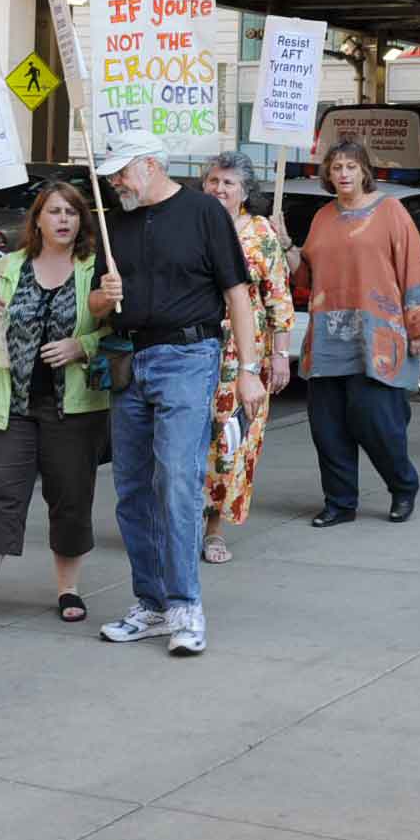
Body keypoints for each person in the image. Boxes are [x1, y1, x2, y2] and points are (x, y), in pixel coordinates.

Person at [90, 130, 264, 656]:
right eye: (113, 171)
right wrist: (103, 296)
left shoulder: (203, 213)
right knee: (132, 486)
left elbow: (237, 293)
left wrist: (250, 367)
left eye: (122, 169)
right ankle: (153, 603)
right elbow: (96, 305)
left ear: (151, 165)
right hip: (127, 357)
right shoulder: (112, 220)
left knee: (178, 478)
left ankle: (185, 603)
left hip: (189, 355)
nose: (115, 179)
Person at [0, 182, 110, 628]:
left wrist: (82, 346)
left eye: (71, 212)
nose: (63, 220)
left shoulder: (96, 269)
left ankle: (68, 588)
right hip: (11, 404)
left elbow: (120, 330)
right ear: (37, 219)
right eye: (54, 211)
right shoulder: (8, 266)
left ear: (82, 221)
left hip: (74, 406)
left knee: (71, 496)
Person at [275, 140, 420, 528]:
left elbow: (412, 269)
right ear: (328, 174)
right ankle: (340, 502)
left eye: (350, 166)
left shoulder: (391, 211)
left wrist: (417, 326)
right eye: (336, 167)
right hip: (327, 337)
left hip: (377, 335)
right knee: (327, 428)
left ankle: (402, 486)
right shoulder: (323, 216)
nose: (343, 173)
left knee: (377, 422)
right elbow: (305, 276)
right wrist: (286, 243)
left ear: (364, 172)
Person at [200, 152, 295, 564]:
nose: (219, 189)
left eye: (228, 183)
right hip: (193, 346)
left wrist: (280, 355)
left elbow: (278, 297)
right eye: (214, 181)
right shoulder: (190, 225)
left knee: (231, 441)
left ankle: (214, 530)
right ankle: (179, 521)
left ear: (245, 191)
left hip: (245, 355)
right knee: (186, 439)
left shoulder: (260, 233)